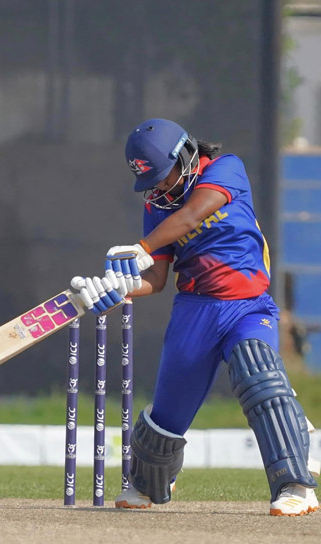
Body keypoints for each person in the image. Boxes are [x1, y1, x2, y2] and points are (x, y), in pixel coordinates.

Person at [70, 118, 319, 516]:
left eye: (164, 176)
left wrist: (142, 245)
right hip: (194, 310)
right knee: (168, 412)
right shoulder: (156, 205)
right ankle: (149, 484)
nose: (161, 187)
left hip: (247, 305)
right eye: (153, 181)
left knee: (259, 378)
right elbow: (155, 278)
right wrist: (116, 291)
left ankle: (296, 485)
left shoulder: (225, 169)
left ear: (184, 155)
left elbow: (191, 216)